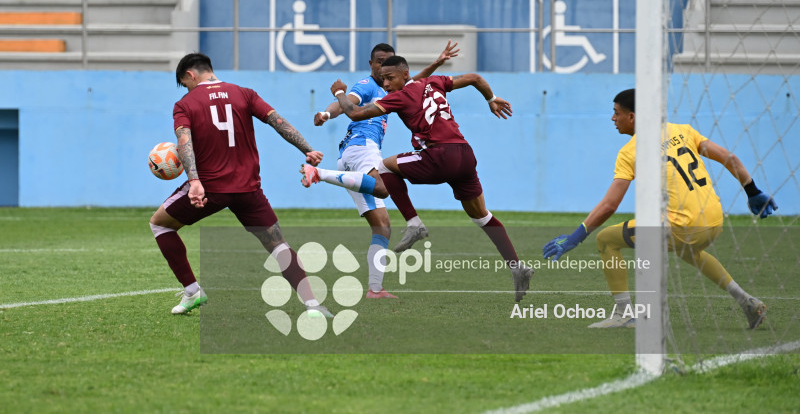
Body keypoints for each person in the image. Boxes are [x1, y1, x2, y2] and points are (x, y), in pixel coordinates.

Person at [304, 54, 534, 302]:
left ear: (405, 74)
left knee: (383, 167)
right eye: (383, 80)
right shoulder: (434, 83)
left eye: (390, 78)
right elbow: (475, 78)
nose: (386, 85)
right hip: (465, 155)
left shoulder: (399, 96)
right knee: (482, 216)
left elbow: (355, 113)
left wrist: (339, 92)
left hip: (439, 155)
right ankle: (517, 267)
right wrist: (491, 99)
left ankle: (414, 223)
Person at [542, 88, 778, 329]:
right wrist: (753, 192)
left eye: (616, 113)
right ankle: (747, 302)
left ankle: (625, 314)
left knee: (605, 240)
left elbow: (610, 205)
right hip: (714, 221)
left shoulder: (630, 151)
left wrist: (576, 236)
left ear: (632, 117)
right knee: (688, 252)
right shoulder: (683, 130)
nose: (613, 118)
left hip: (680, 226)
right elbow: (730, 157)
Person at [149, 52, 331, 317]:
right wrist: (308, 149)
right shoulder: (244, 93)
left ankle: (191, 291)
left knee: (159, 224)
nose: (186, 89)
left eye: (184, 83)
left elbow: (183, 142)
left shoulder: (184, 104)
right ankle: (313, 305)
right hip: (249, 189)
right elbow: (277, 121)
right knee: (278, 244)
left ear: (190, 74)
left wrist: (195, 181)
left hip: (211, 188)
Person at [306, 42, 459, 299]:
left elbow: (415, 81)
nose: (383, 66)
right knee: (385, 186)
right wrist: (326, 112)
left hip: (355, 153)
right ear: (371, 64)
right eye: (379, 61)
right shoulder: (367, 85)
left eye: (388, 62)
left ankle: (375, 290)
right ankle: (318, 174)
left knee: (382, 227)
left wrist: (437, 63)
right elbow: (349, 102)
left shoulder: (392, 86)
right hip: (361, 147)